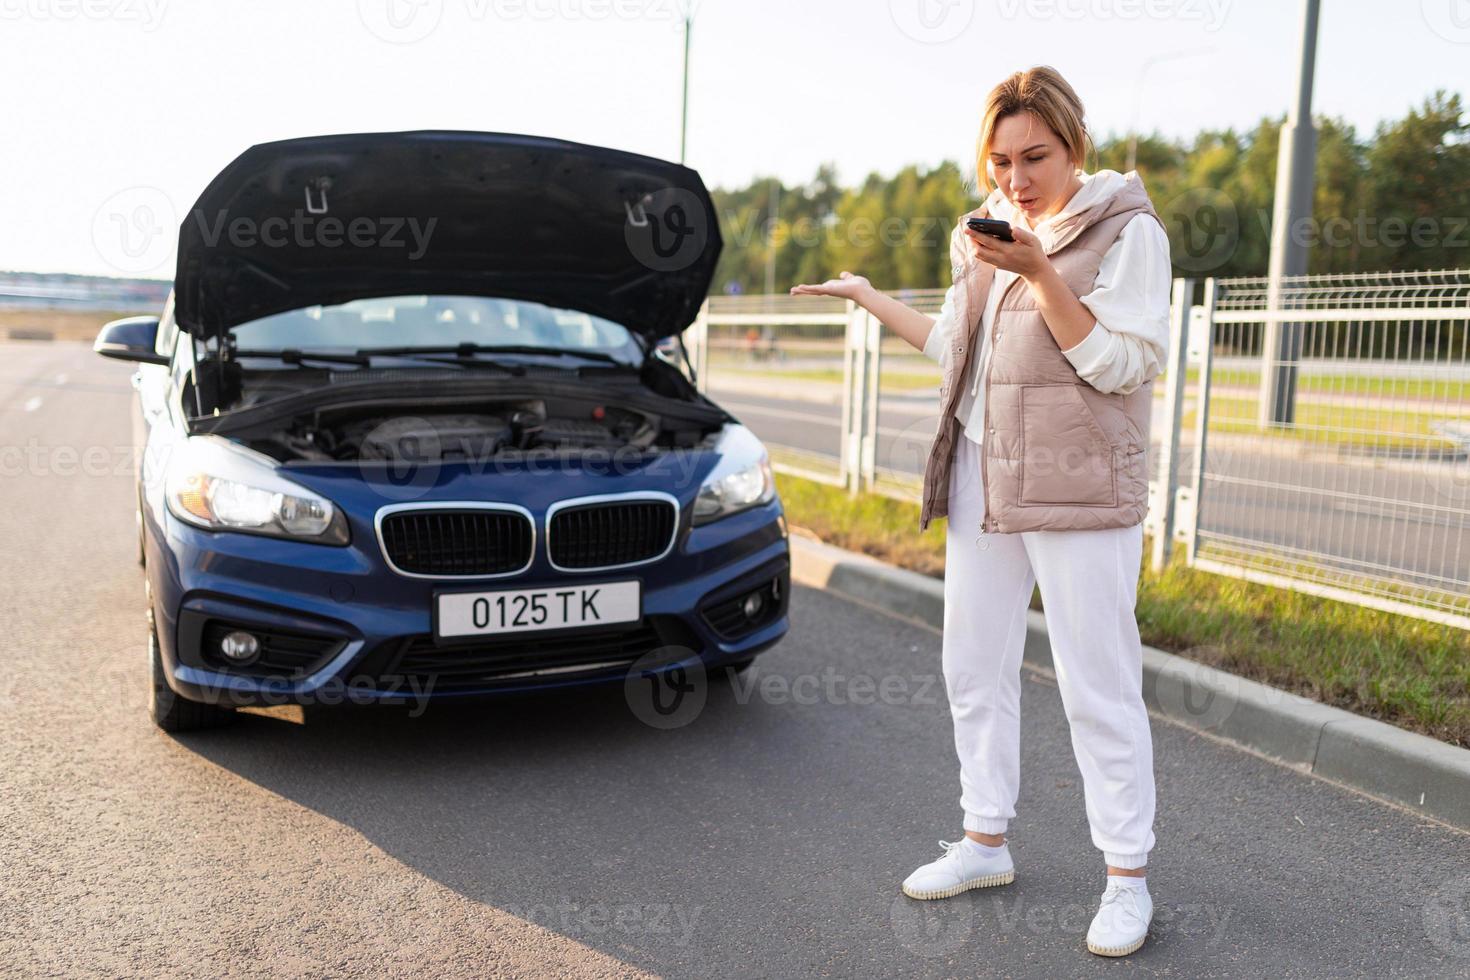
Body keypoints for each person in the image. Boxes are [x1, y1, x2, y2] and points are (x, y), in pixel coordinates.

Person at [789, 65, 1171, 959]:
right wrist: (873, 299)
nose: (1015, 179)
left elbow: (1124, 364)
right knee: (973, 664)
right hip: (983, 474)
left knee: (1096, 682)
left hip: (1077, 485)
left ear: (1075, 145)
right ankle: (984, 841)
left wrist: (1040, 272)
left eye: (1034, 157)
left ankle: (1126, 878)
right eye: (999, 160)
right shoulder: (985, 235)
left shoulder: (1127, 228)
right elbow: (955, 348)